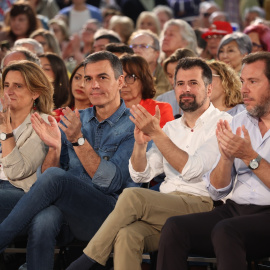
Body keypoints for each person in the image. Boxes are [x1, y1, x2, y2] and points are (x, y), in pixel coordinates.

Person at [66, 57, 232, 270]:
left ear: (209, 89)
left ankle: (87, 260)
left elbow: (192, 170)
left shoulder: (223, 123)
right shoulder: (171, 128)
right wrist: (140, 145)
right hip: (166, 205)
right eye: (180, 84)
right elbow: (141, 175)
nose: (186, 89)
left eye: (193, 83)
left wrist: (156, 133)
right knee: (128, 234)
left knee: (132, 196)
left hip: (203, 205)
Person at [0, 51, 136, 270]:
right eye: (87, 78)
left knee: (55, 180)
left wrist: (78, 141)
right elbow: (46, 180)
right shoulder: (75, 118)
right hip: (68, 212)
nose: (93, 85)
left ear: (120, 81)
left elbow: (109, 183)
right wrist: (54, 148)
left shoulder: (133, 125)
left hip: (107, 215)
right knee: (45, 217)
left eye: (102, 77)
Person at [156, 51, 270, 270]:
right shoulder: (238, 121)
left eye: (253, 82)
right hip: (235, 209)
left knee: (226, 230)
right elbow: (217, 191)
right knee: (175, 227)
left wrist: (249, 156)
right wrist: (225, 159)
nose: (244, 89)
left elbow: (250, 159)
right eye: (242, 81)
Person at [0, 60, 56, 269]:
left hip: (22, 193)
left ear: (35, 93)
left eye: (18, 86)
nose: (10, 91)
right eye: (6, 85)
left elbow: (16, 171)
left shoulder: (42, 124)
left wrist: (6, 134)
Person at [119, 54, 174, 128]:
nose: (124, 84)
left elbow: (166, 139)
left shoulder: (160, 110)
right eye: (120, 78)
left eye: (130, 77)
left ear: (144, 80)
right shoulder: (106, 111)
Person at [129, 29, 171, 97]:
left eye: (143, 46)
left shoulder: (168, 76)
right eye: (133, 46)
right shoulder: (122, 75)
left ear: (156, 54)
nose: (137, 50)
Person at [156, 48, 196, 117]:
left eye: (177, 75)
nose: (173, 81)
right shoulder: (162, 100)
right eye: (170, 76)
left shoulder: (205, 100)